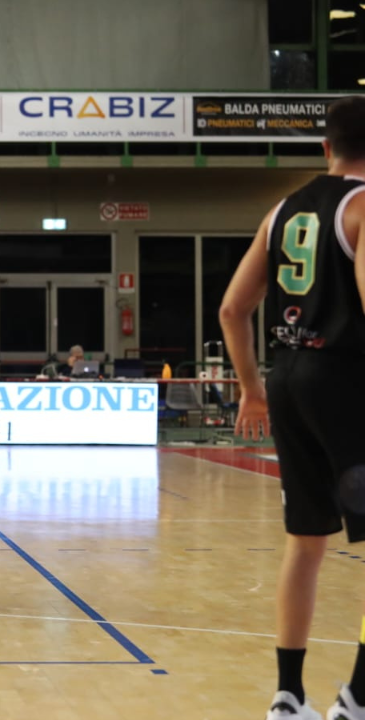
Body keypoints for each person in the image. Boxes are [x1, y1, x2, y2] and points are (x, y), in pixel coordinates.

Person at [218, 95, 365, 720]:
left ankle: (288, 695)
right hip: (346, 384)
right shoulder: (362, 208)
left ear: (324, 147)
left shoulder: (282, 211)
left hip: (287, 380)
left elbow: (232, 309)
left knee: (305, 542)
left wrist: (251, 388)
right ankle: (358, 697)